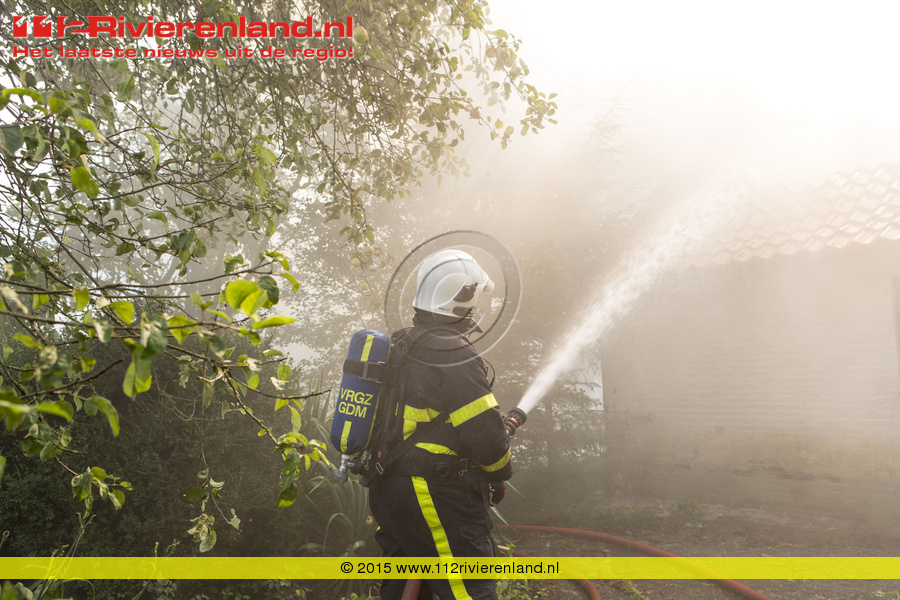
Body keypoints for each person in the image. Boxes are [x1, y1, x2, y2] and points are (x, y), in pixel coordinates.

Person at [367, 249, 513, 600]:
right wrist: (499, 473)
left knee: (404, 587)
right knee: (470, 589)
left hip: (390, 488)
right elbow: (488, 440)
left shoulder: (402, 342)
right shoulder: (453, 353)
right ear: (459, 300)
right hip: (435, 494)